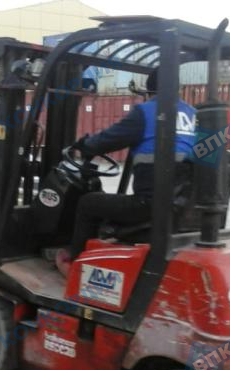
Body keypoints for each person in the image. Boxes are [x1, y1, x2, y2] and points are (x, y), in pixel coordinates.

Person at [55, 69, 197, 275]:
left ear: (150, 91)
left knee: (88, 203)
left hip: (150, 207)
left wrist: (85, 145)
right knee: (111, 202)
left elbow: (106, 140)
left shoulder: (146, 112)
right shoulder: (194, 115)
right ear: (178, 89)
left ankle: (75, 265)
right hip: (183, 207)